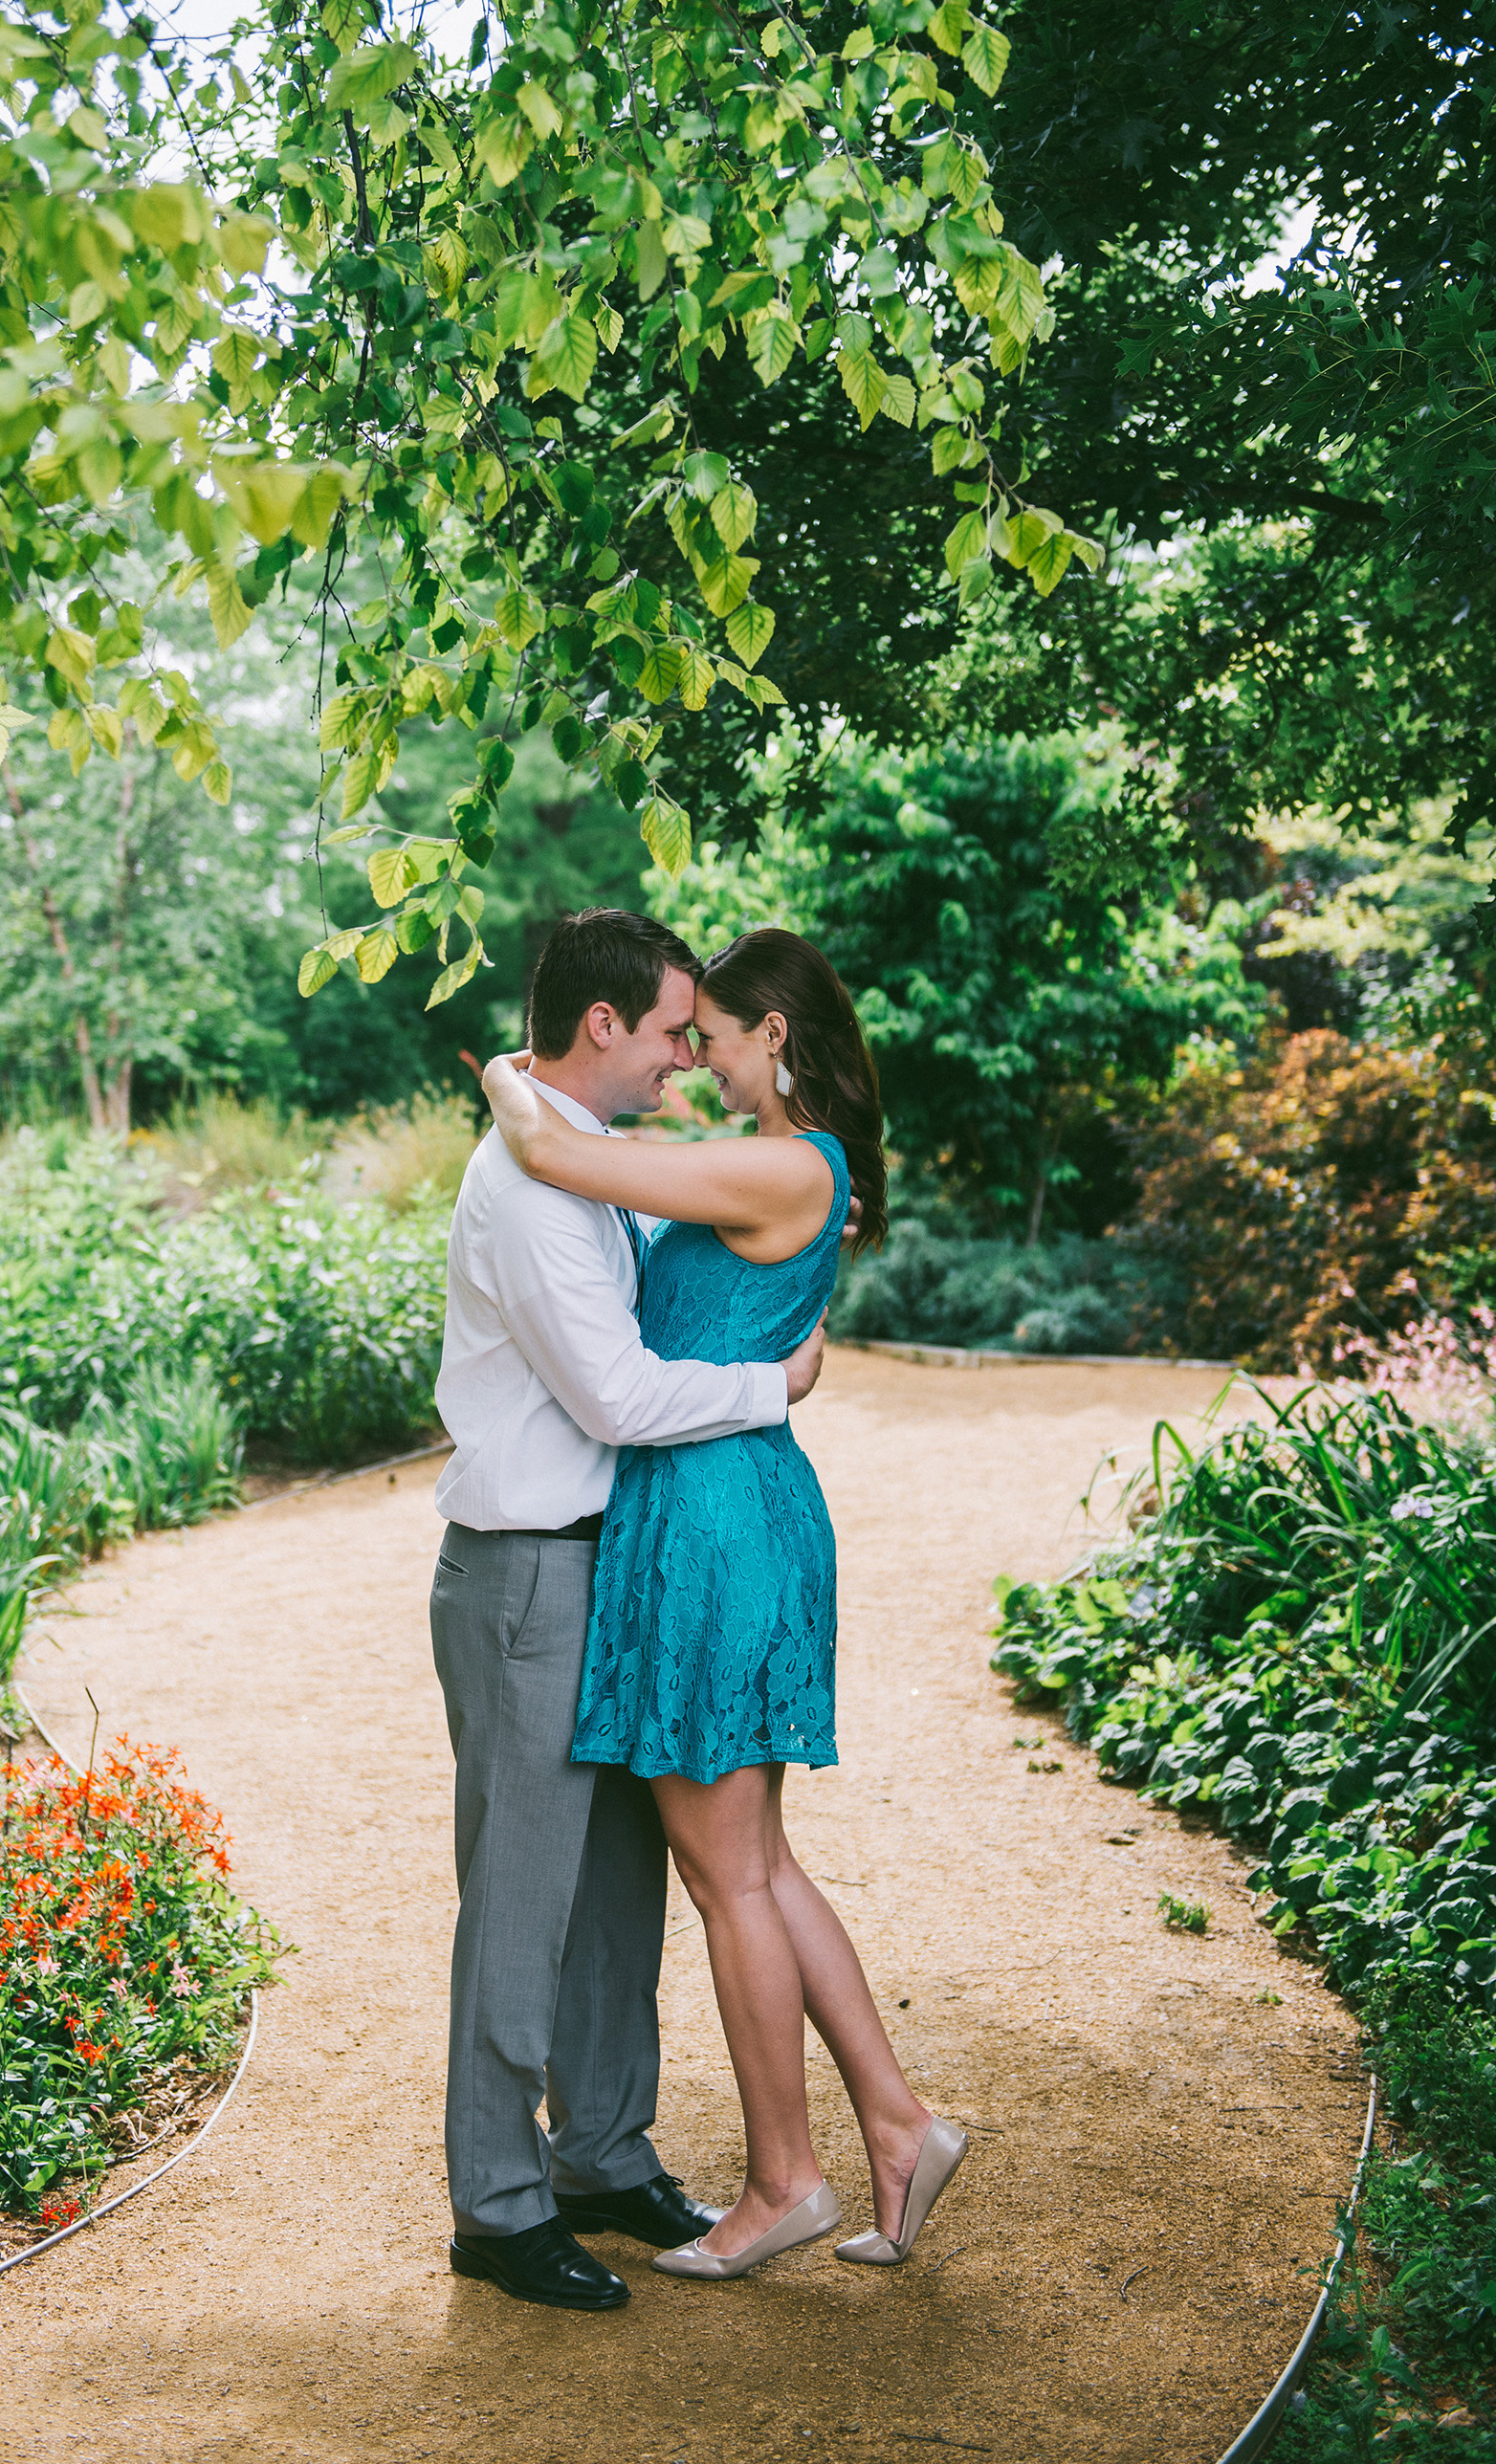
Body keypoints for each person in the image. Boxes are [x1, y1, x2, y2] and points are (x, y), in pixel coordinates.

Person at [479, 926, 968, 2282]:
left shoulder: (776, 1161)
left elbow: (564, 1153)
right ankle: (894, 2123)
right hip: (721, 1507)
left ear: (777, 1039)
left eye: (717, 1035)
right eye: (680, 1038)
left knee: (727, 1877)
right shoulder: (800, 1167)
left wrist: (508, 1075)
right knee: (755, 1866)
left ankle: (784, 2182)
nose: (696, 1055)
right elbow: (664, 1238)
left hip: (710, 1517)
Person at [430, 909, 832, 2315]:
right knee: (523, 1902)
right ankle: (497, 2201)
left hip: (621, 1567)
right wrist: (770, 1387)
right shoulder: (535, 1188)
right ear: (602, 1025)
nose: (681, 1057)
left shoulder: (593, 1162)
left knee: (618, 1895)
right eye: (671, 1031)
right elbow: (617, 1397)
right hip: (533, 1571)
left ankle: (603, 2155)